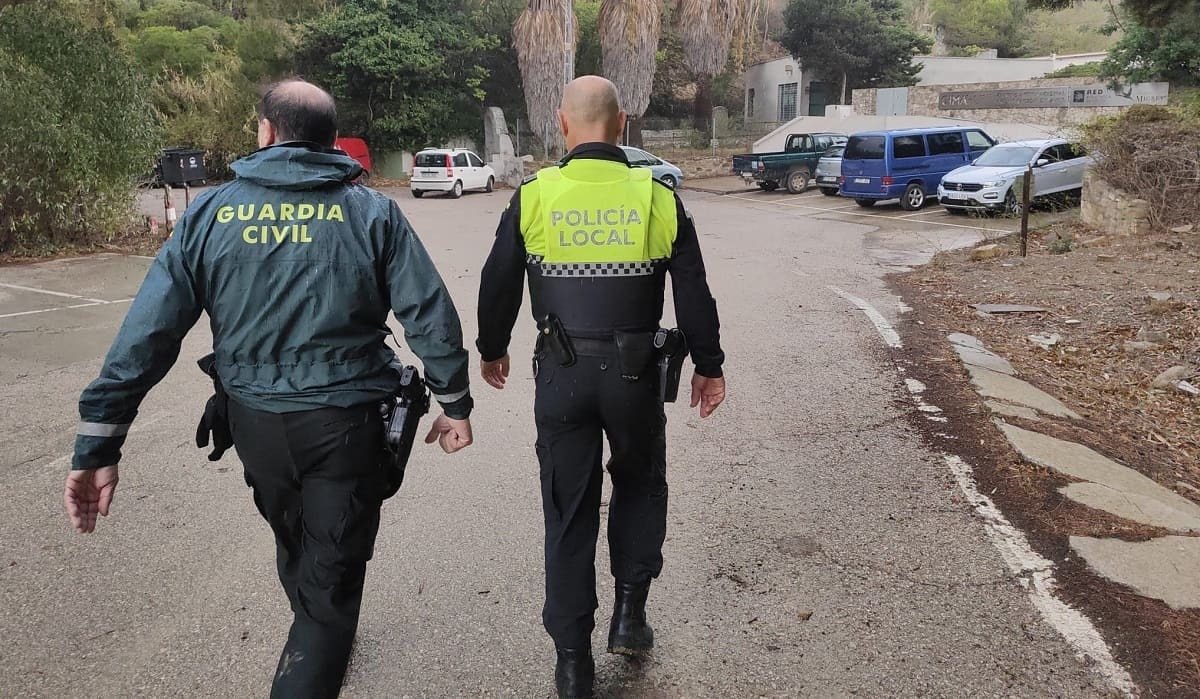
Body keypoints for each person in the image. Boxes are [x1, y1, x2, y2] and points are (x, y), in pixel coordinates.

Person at [63, 79, 474, 698]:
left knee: (297, 544)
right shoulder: (370, 212)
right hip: (346, 425)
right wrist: (454, 402)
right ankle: (318, 632)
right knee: (329, 583)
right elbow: (430, 315)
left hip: (256, 427)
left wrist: (99, 443)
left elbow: (147, 332)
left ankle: (316, 627)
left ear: (265, 132)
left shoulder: (209, 212)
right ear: (334, 141)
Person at [476, 75, 727, 698]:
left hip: (561, 376)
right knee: (641, 487)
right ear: (621, 125)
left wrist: (493, 349)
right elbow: (693, 292)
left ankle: (572, 663)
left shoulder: (535, 195)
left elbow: (498, 281)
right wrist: (710, 365)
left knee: (566, 511)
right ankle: (629, 616)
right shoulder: (658, 195)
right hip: (636, 375)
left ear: (563, 125)